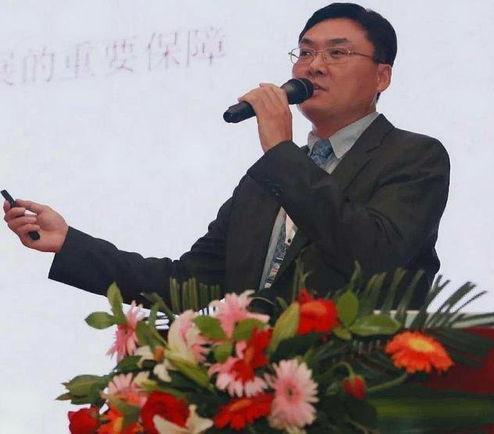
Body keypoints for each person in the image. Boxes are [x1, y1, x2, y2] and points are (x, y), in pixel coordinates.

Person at [3, 3, 449, 311]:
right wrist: (70, 242)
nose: (313, 65)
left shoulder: (414, 157)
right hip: (253, 394)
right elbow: (191, 284)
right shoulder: (266, 180)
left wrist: (280, 151)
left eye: (337, 52)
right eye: (305, 52)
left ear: (382, 76)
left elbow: (373, 255)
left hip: (362, 393)